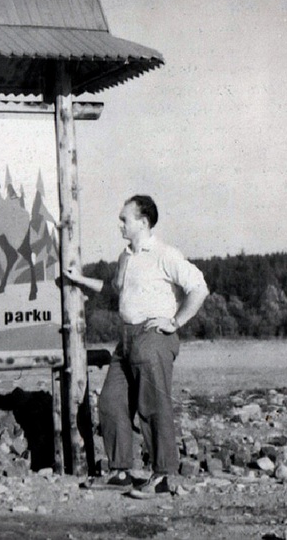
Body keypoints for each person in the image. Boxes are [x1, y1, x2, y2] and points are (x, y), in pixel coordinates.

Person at [64, 195, 208, 498]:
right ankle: (120, 473)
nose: (120, 224)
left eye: (124, 219)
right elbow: (113, 288)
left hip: (154, 336)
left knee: (152, 406)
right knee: (111, 402)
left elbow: (199, 288)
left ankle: (164, 476)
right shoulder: (126, 257)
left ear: (142, 222)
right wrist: (78, 281)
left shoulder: (165, 254)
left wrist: (176, 322)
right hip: (127, 338)